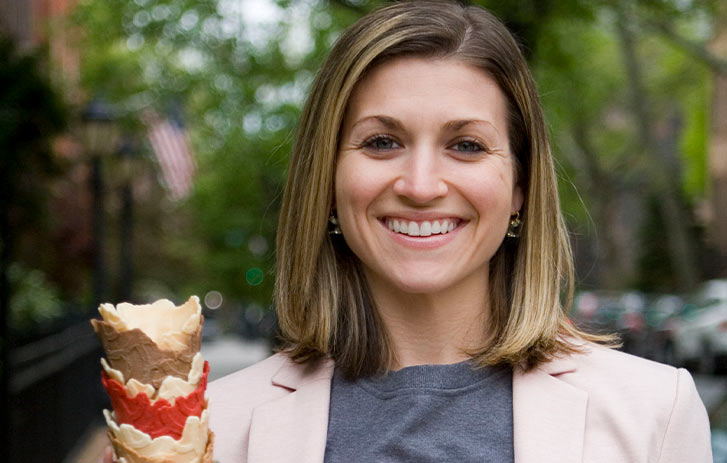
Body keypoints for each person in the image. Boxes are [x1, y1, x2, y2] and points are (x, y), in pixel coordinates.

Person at [106, 1, 712, 462]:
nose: (421, 184)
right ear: (329, 183)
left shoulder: (653, 414)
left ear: (520, 188)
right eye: (382, 142)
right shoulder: (219, 430)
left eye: (467, 145)